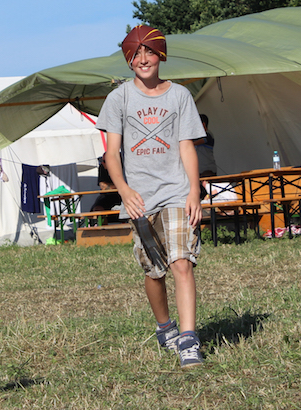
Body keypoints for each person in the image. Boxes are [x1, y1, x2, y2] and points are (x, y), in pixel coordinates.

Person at [95, 25, 206, 368]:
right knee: (155, 271)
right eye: (136, 53)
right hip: (140, 199)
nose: (144, 59)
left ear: (161, 55)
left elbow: (186, 146)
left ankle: (188, 340)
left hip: (176, 192)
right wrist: (124, 191)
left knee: (181, 262)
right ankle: (165, 326)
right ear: (129, 60)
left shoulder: (179, 96)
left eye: (150, 52)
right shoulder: (119, 99)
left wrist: (194, 190)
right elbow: (111, 153)